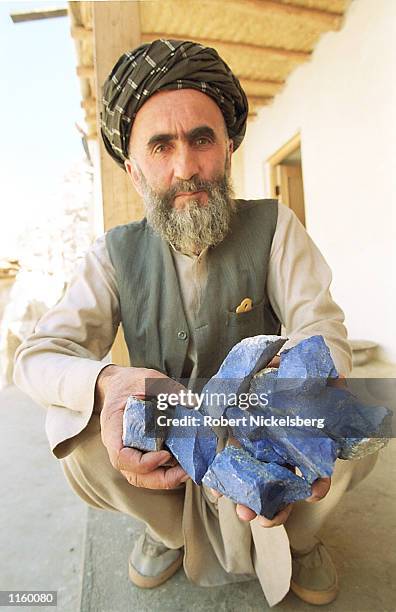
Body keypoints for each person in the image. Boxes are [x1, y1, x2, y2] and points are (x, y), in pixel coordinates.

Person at [14, 39, 377, 607]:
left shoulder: (275, 225)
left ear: (228, 149)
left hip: (262, 423)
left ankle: (301, 537)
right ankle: (167, 532)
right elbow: (35, 359)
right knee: (73, 427)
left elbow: (322, 327)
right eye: (161, 146)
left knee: (363, 403)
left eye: (201, 139)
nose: (186, 168)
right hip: (171, 443)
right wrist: (111, 384)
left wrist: (292, 398)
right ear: (134, 170)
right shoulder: (112, 254)